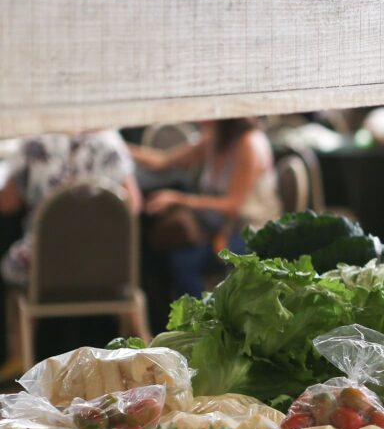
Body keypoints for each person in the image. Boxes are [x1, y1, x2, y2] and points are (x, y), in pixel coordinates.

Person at [0, 130, 140, 377]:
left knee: (10, 263)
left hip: (46, 268)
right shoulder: (109, 141)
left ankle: (20, 359)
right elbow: (133, 205)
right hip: (106, 267)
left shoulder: (33, 142)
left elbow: (7, 203)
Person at [129, 118, 280, 298]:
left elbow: (232, 205)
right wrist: (118, 149)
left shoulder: (248, 144)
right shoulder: (214, 139)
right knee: (158, 252)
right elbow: (163, 161)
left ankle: (203, 321)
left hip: (250, 231)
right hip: (218, 226)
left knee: (182, 262)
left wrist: (179, 199)